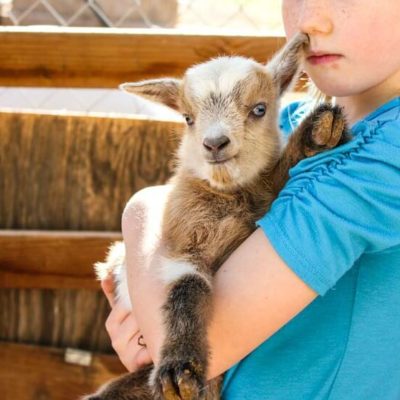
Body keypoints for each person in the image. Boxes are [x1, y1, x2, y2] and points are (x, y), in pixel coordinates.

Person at [102, 0, 400, 398]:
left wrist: (143, 210)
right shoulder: (284, 122)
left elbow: (184, 350)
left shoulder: (382, 156)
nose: (309, 19)